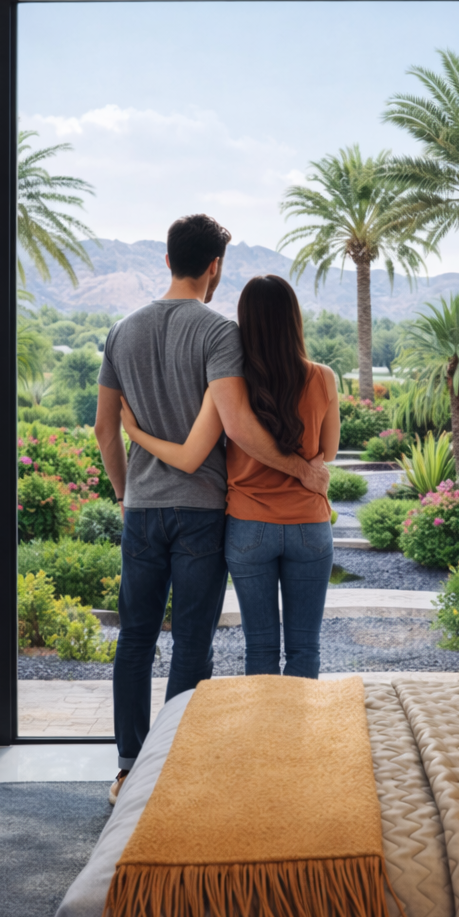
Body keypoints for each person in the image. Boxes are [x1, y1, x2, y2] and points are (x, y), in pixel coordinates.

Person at [94, 216, 329, 804]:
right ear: (215, 266)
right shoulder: (218, 333)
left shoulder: (121, 331)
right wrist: (301, 468)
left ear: (168, 258)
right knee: (191, 641)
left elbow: (104, 429)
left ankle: (128, 769)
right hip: (200, 510)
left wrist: (126, 495)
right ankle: (173, 769)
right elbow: (239, 425)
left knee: (135, 639)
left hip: (143, 508)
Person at [121, 273, 340, 682]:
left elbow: (199, 449)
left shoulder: (233, 385)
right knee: (305, 647)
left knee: (259, 646)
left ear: (245, 321)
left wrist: (134, 434)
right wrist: (301, 463)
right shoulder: (323, 377)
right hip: (310, 525)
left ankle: (260, 739)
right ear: (294, 319)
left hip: (248, 526)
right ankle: (299, 744)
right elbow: (326, 453)